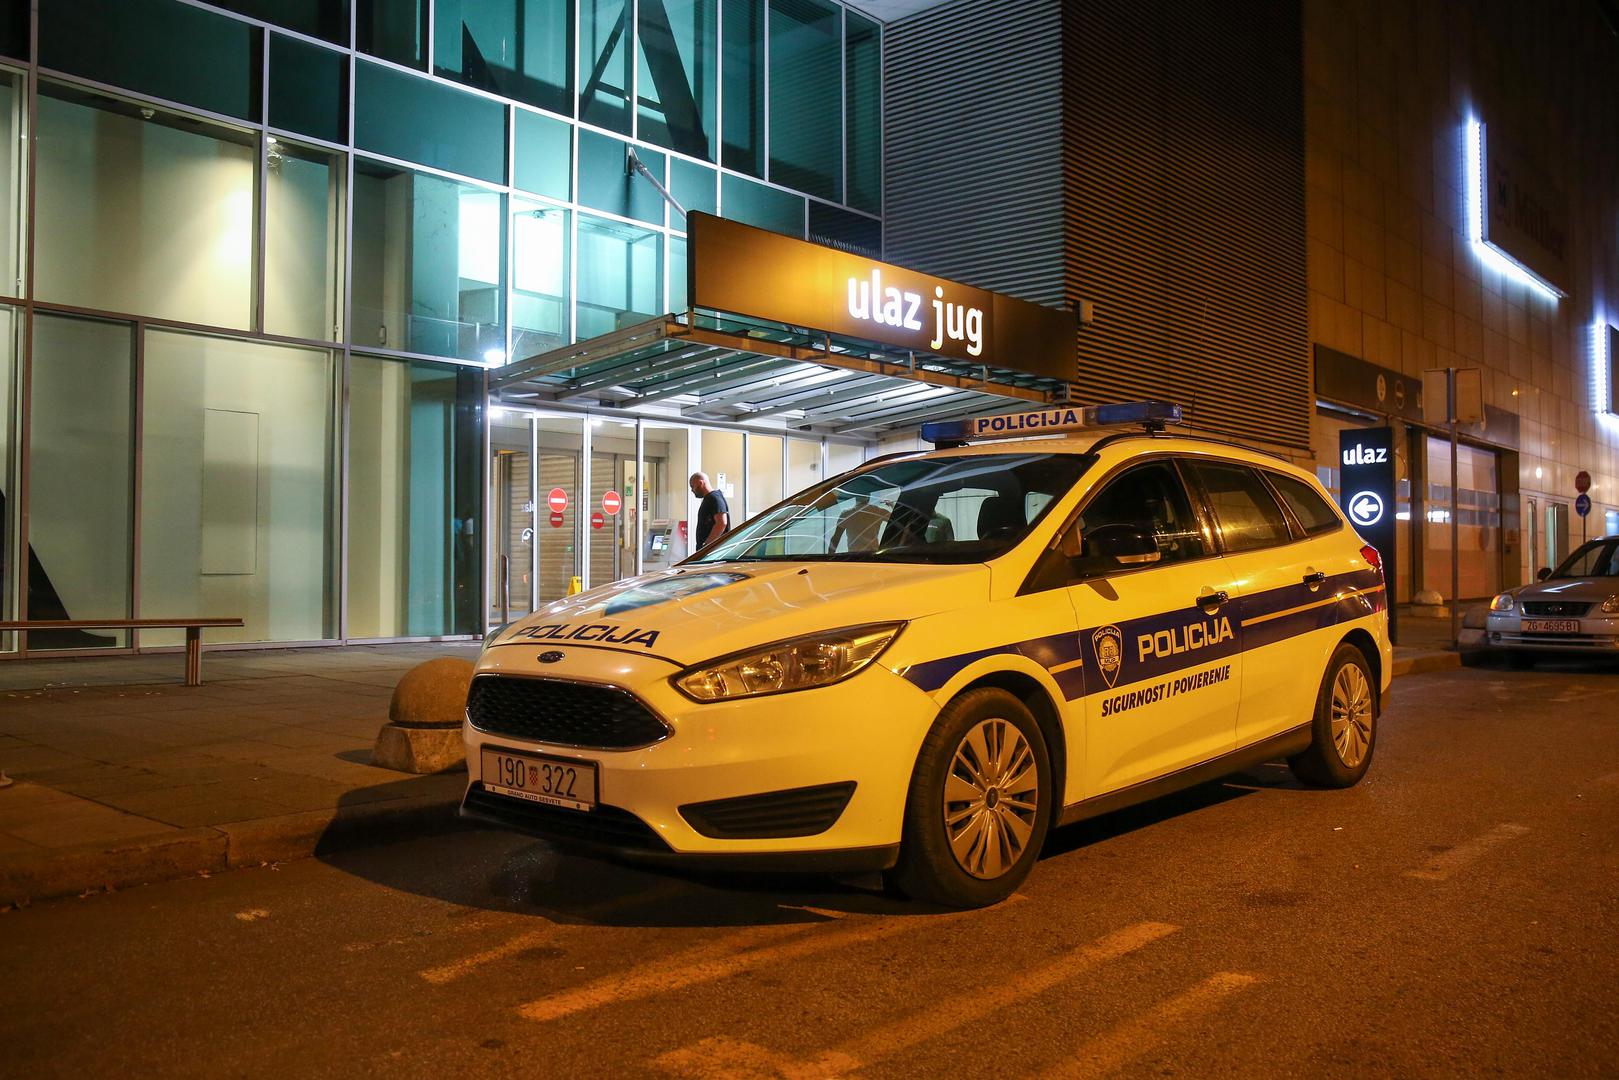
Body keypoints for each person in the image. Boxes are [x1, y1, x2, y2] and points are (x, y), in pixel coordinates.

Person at [689, 472, 730, 551]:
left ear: (701, 483)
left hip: (713, 553)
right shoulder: (709, 498)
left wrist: (706, 545)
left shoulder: (714, 498)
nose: (692, 490)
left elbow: (722, 523)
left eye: (692, 486)